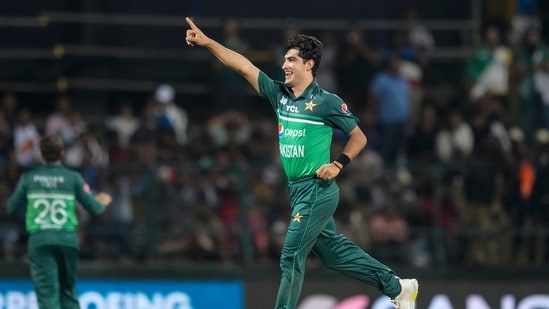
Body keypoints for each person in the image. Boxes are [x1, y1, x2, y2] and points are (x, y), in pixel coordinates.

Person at [184, 17, 419, 309]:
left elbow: (359, 137)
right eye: (285, 59)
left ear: (309, 64)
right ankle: (398, 287)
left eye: (292, 59)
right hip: (297, 191)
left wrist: (338, 164)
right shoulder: (279, 95)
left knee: (290, 256)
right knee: (332, 253)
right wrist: (207, 42)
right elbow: (243, 66)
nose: (285, 64)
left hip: (317, 189)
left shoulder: (326, 101)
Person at [6, 134, 112, 308]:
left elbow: (10, 208)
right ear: (62, 154)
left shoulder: (28, 178)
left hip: (40, 240)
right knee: (68, 292)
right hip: (67, 239)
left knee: (48, 295)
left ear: (41, 155)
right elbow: (95, 208)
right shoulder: (73, 178)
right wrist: (101, 201)